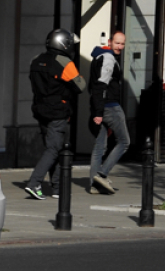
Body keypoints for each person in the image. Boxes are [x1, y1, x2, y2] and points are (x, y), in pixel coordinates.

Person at [24, 29, 85, 200]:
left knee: (54, 147)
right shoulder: (64, 62)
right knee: (54, 148)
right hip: (58, 111)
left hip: (40, 109)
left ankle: (57, 187)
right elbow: (80, 85)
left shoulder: (36, 60)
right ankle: (34, 183)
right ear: (64, 44)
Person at [88, 31, 129, 194]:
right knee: (124, 142)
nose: (120, 47)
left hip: (100, 106)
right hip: (110, 106)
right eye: (117, 43)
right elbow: (99, 85)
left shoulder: (99, 56)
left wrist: (96, 109)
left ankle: (94, 185)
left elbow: (94, 87)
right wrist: (98, 112)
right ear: (110, 42)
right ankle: (102, 174)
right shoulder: (108, 58)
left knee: (99, 146)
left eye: (123, 44)